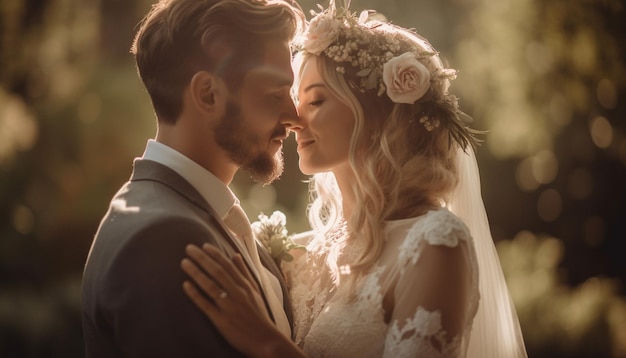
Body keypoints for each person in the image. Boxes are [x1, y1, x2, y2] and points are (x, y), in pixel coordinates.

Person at [180, 1, 528, 357]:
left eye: (315, 101)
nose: (294, 121)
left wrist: (264, 341)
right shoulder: (296, 253)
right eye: (295, 101)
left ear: (378, 115)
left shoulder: (434, 245)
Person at [80, 0, 305, 356]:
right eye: (276, 94)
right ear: (208, 94)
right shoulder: (164, 238)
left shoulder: (198, 216)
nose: (295, 117)